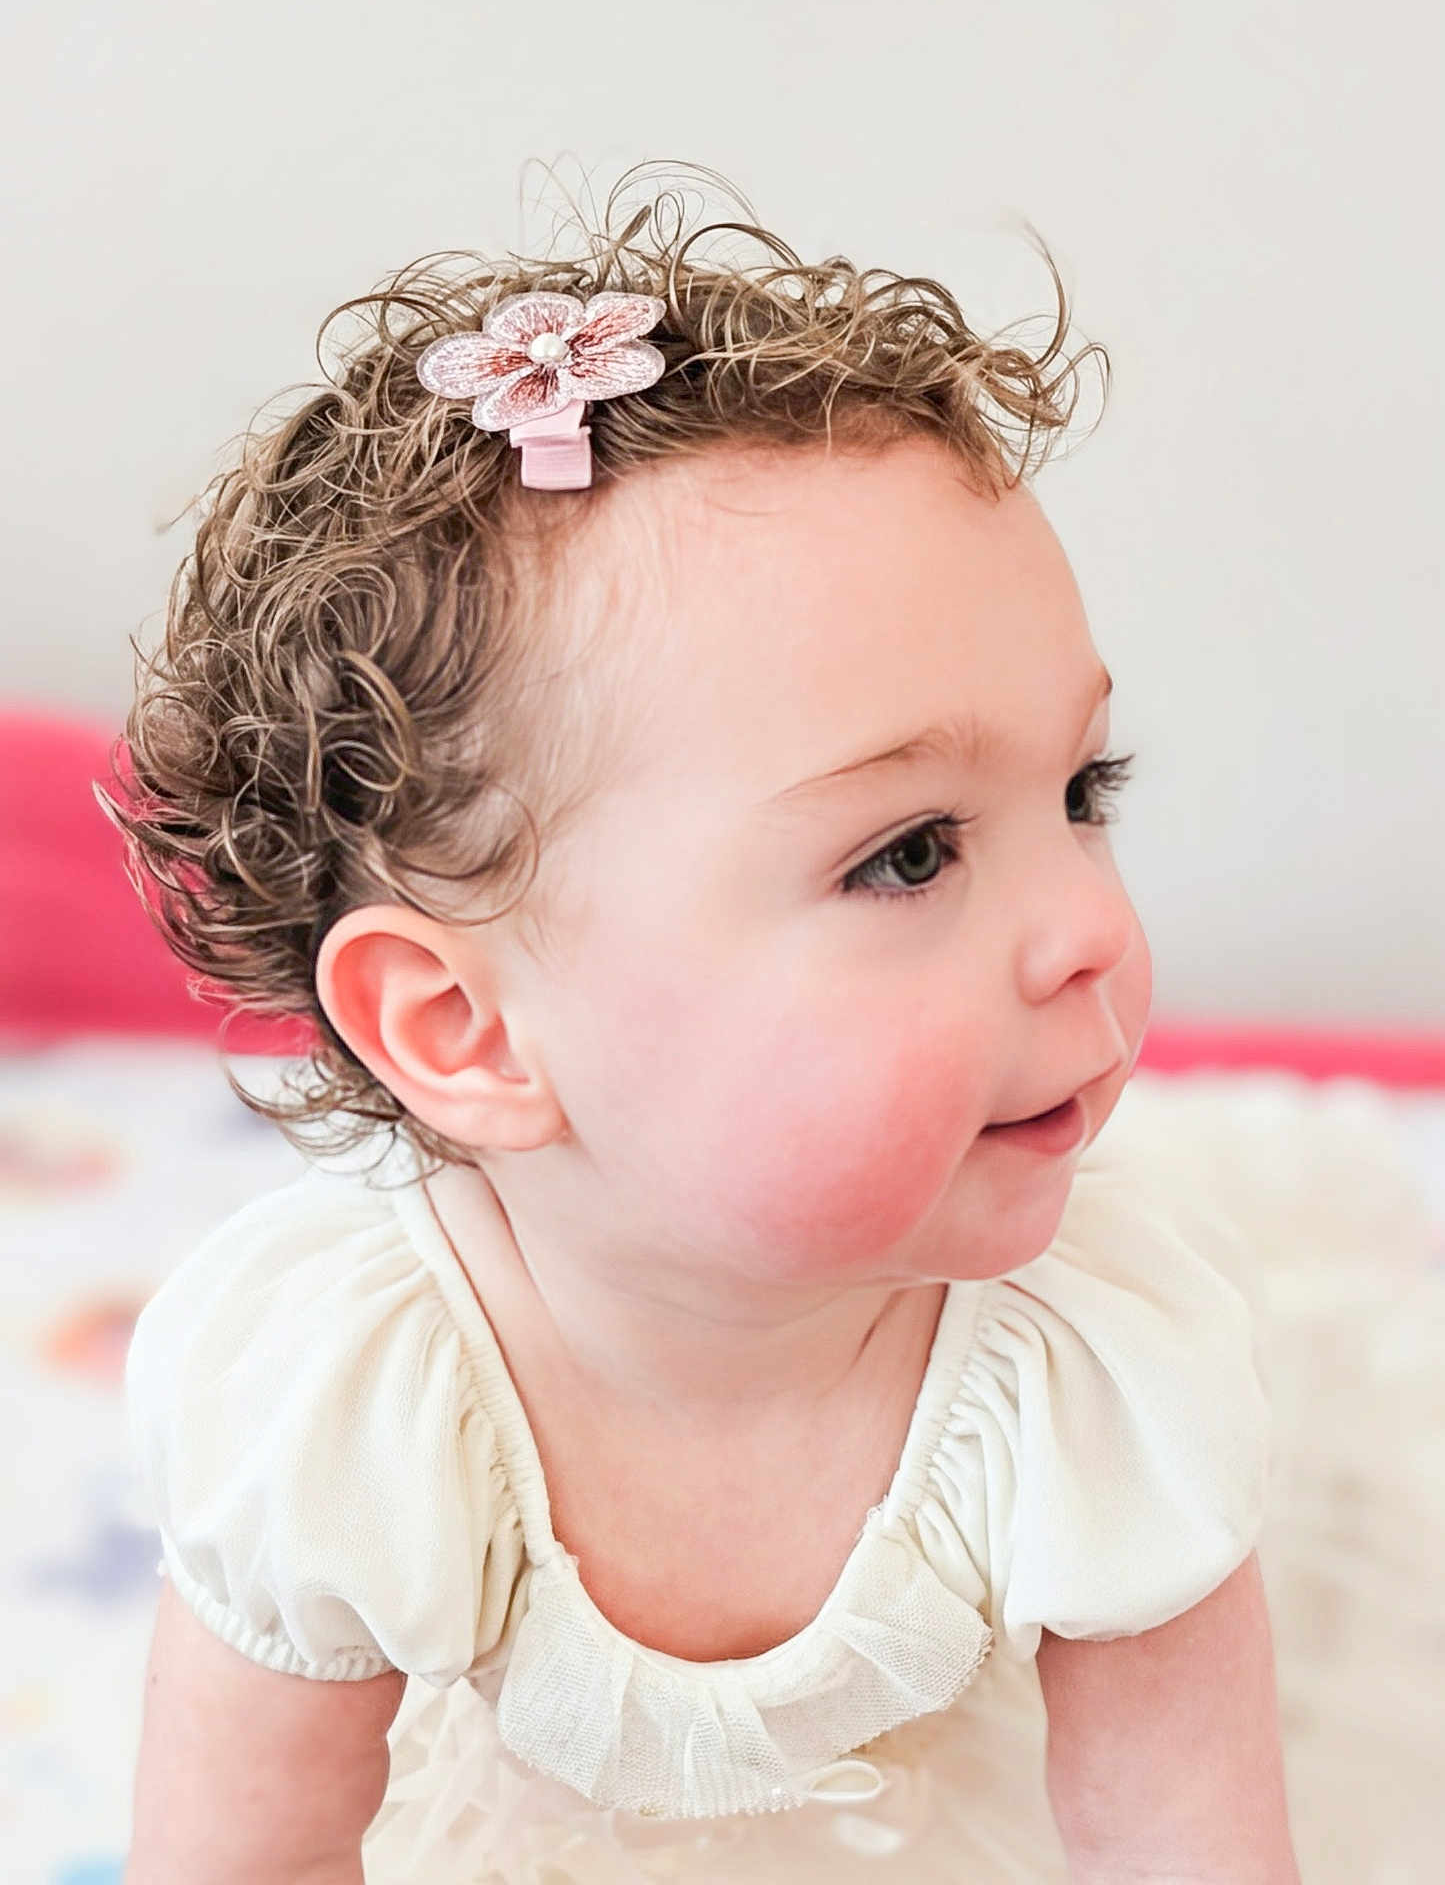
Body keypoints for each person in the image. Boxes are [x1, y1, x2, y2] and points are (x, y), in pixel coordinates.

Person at [110, 161, 1299, 1881]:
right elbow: (243, 1856)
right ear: (465, 1031)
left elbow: (1189, 1852)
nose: (1091, 932)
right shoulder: (344, 1400)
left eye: (1080, 787)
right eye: (908, 855)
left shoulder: (1091, 1366)